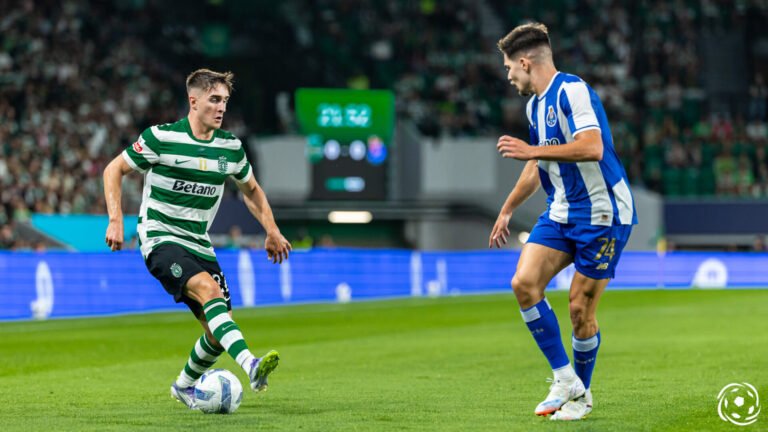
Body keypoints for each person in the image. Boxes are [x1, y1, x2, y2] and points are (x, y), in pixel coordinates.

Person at [103, 69, 292, 410]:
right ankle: (250, 365)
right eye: (214, 100)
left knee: (218, 332)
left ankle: (184, 385)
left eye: (225, 101)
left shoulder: (230, 148)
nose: (221, 108)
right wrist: (116, 219)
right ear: (194, 101)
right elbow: (113, 169)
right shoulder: (161, 139)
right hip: (160, 237)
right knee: (209, 291)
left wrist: (272, 229)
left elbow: (252, 191)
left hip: (199, 243)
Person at [489, 23, 637, 421]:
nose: (508, 76)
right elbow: (539, 164)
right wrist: (506, 209)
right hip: (563, 212)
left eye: (509, 68)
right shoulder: (534, 106)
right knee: (523, 283)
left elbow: (592, 147)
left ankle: (580, 397)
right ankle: (565, 379)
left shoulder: (572, 90)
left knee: (579, 311)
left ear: (525, 62)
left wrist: (531, 150)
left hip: (604, 214)